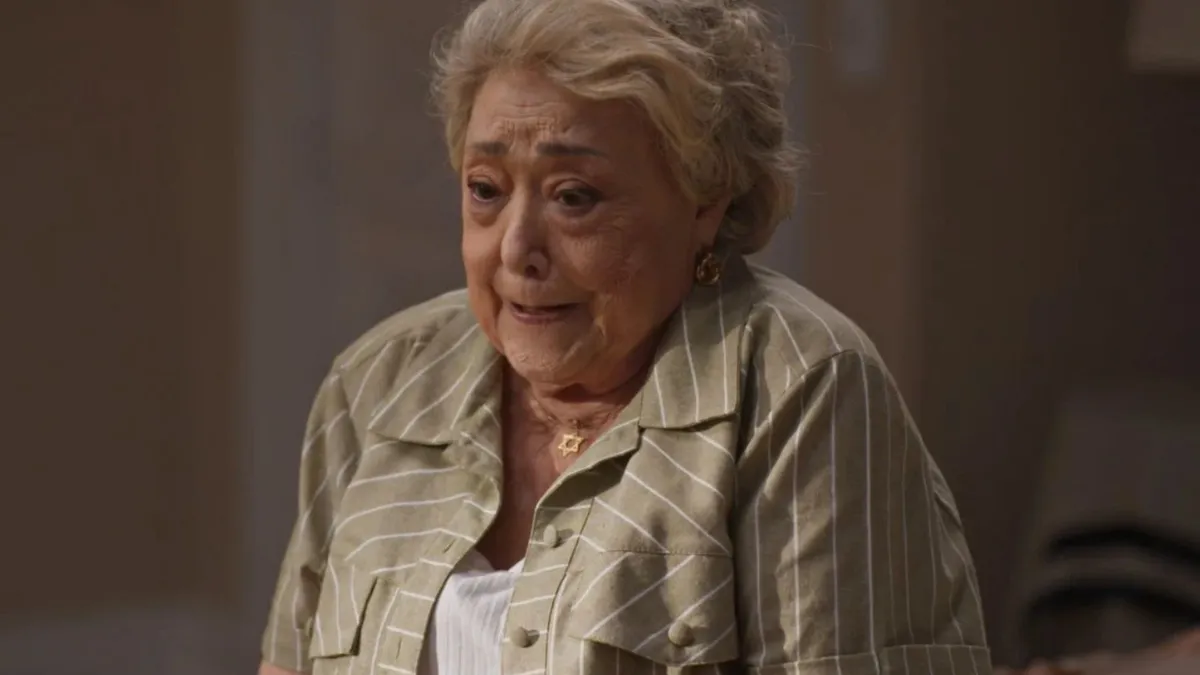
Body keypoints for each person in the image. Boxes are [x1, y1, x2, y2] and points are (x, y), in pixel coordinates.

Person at [257, 1, 990, 673]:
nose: (515, 248)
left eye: (574, 197)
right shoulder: (380, 382)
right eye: (485, 189)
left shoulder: (799, 386)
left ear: (706, 199)